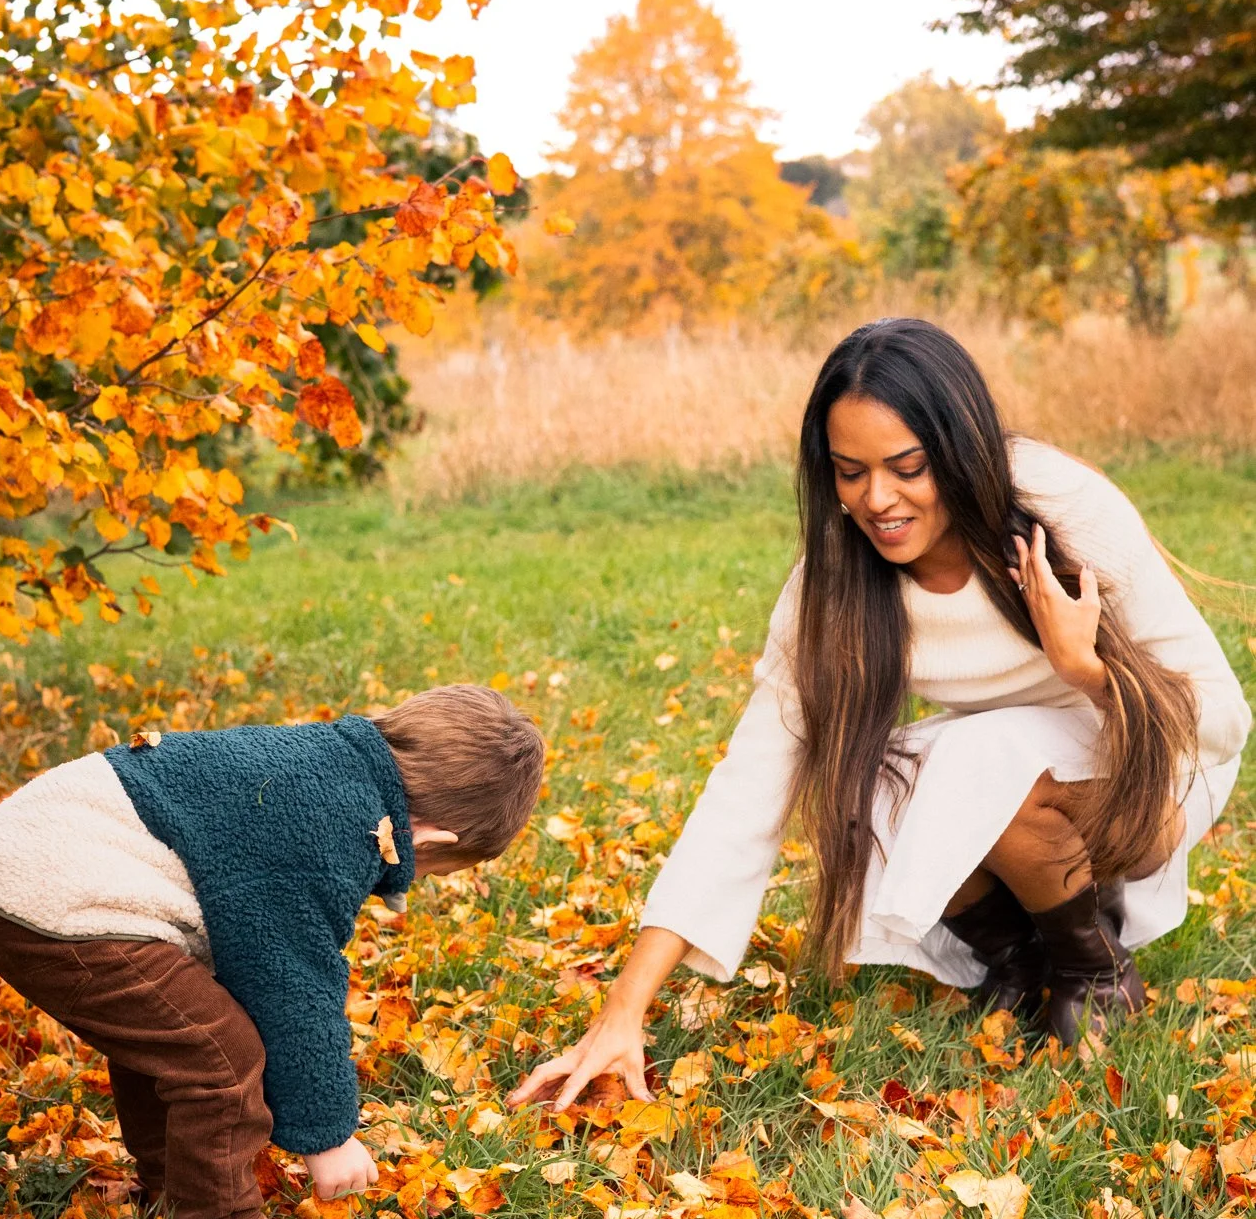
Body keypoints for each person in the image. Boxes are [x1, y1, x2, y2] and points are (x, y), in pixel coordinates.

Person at [511, 318, 1251, 1111]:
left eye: (907, 467)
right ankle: (1020, 957)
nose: (876, 500)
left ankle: (1094, 971)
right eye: (848, 472)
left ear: (961, 448)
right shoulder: (833, 582)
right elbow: (747, 788)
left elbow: (1217, 717)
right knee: (869, 777)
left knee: (979, 756)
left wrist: (1087, 671)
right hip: (1006, 773)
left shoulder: (1064, 511)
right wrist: (622, 1009)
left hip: (1147, 778)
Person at [0, 684, 545, 1219]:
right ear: (431, 839)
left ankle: (172, 1188)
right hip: (46, 900)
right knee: (221, 1057)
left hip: (21, 864)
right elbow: (295, 987)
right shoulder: (338, 829)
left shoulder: (324, 763)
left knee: (180, 1023)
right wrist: (329, 1138)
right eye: (430, 870)